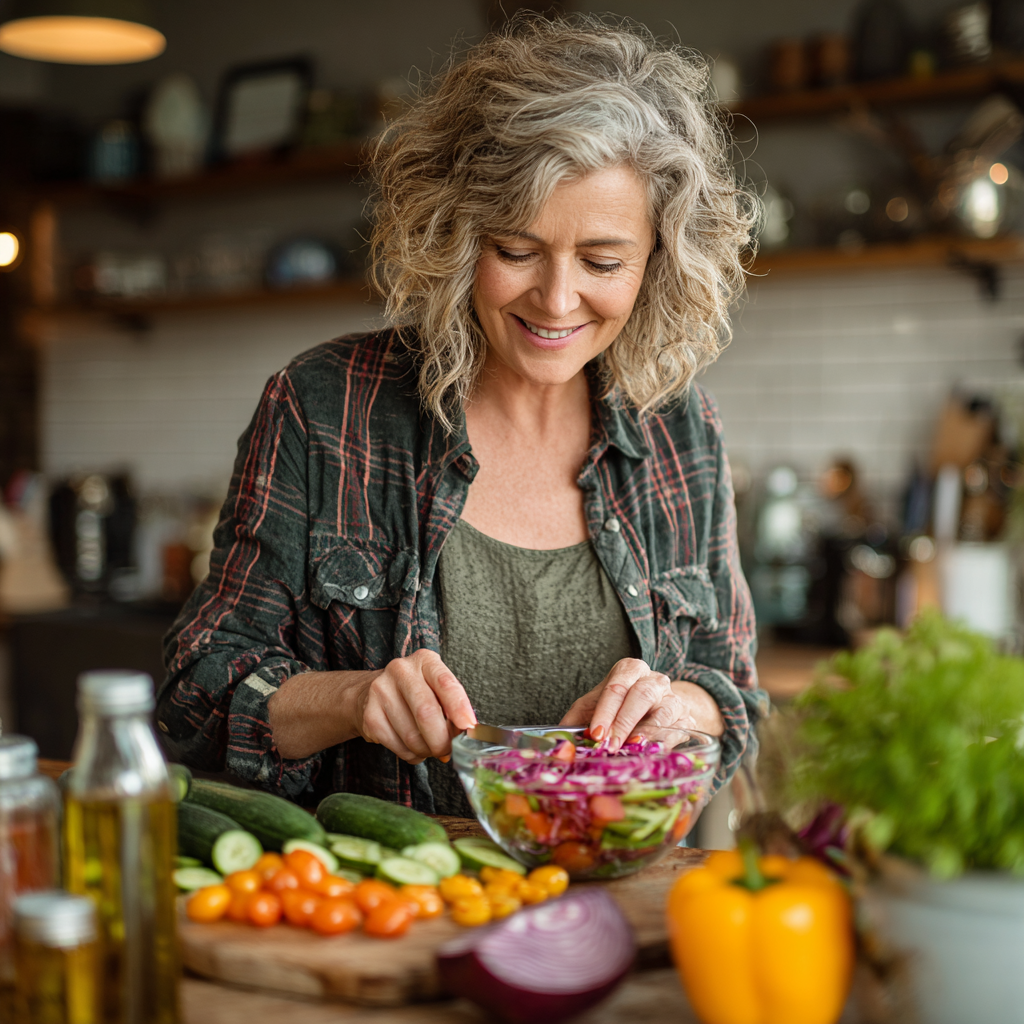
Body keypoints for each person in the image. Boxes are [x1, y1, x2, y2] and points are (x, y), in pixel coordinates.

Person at [160, 15, 769, 814]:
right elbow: (191, 696)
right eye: (515, 250)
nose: (555, 300)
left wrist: (679, 710)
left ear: (658, 261)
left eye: (602, 261)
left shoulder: (679, 431)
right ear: (454, 232)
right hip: (390, 915)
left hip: (621, 904)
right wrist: (355, 700)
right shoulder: (324, 408)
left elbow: (735, 704)